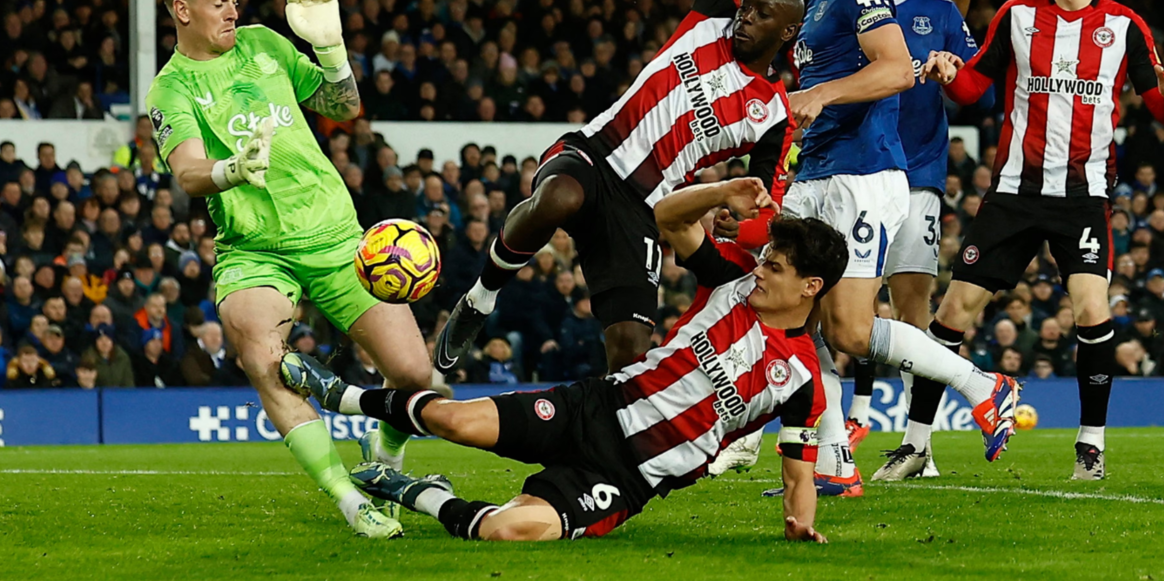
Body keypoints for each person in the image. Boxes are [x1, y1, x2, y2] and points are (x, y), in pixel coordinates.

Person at [437, 0, 881, 380]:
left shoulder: (774, 113)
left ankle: (603, 446)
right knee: (560, 197)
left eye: (760, 15)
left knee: (628, 352)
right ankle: (481, 297)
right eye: (746, 6)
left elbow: (767, 200)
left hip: (644, 207)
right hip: (596, 153)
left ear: (787, 33)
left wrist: (745, 224)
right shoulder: (712, 13)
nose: (745, 18)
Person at [282, 177, 838, 543]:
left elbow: (799, 470)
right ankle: (344, 397)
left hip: (627, 476)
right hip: (596, 406)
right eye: (764, 258)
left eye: (777, 266)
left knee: (514, 530)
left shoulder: (804, 380)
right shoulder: (732, 281)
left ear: (810, 286)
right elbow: (666, 218)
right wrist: (724, 189)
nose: (761, 269)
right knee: (454, 419)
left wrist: (800, 525)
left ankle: (419, 493)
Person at [714, 0, 1019, 495]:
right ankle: (835, 462)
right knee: (792, 318)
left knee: (851, 331)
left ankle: (984, 385)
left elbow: (895, 67)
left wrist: (821, 93)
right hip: (819, 172)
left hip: (863, 173)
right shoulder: (813, 2)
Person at [145, 0, 430, 538]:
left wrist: (331, 50)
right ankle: (352, 501)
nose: (232, 9)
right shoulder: (171, 90)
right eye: (218, 1)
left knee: (413, 374)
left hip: (335, 235)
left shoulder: (264, 44)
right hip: (253, 251)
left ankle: (386, 458)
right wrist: (231, 170)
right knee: (261, 360)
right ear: (182, 9)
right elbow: (189, 173)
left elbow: (345, 107)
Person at [923, 0, 1164, 480]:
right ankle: (916, 446)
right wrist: (950, 73)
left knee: (1092, 310)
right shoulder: (1018, 15)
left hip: (1083, 196)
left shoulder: (1124, 27)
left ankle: (1090, 446)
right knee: (952, 312)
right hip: (1014, 192)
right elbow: (974, 87)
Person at [838, 0, 995, 480]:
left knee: (911, 310)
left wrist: (952, 67)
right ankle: (842, 425)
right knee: (844, 306)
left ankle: (917, 443)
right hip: (854, 174)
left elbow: (976, 89)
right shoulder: (841, 8)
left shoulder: (938, 12)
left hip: (917, 176)